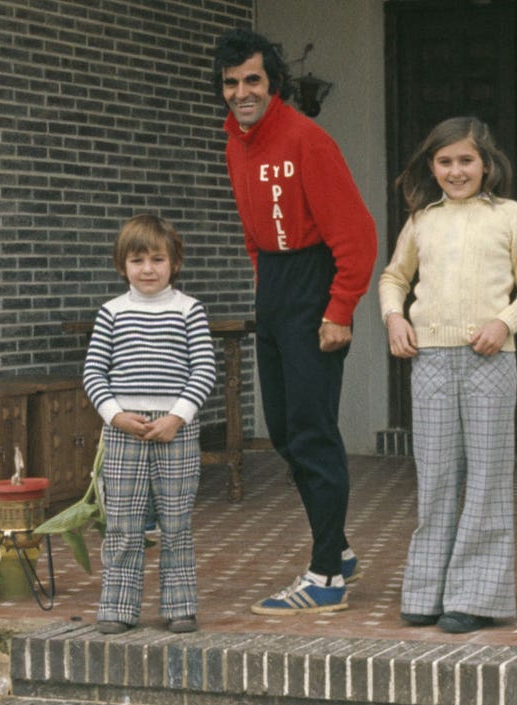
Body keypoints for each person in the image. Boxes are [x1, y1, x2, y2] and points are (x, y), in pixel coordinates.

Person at [212, 28, 378, 614]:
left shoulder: (308, 140)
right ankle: (341, 548)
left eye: (252, 80)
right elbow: (255, 234)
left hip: (314, 287)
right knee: (283, 430)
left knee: (311, 433)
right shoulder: (235, 144)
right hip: (276, 291)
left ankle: (327, 576)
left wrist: (339, 309)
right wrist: (266, 291)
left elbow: (357, 235)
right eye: (231, 83)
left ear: (273, 82)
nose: (241, 92)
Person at [378, 117, 517, 633]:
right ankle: (427, 590)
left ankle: (472, 597)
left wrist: (505, 322)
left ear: (487, 163)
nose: (456, 171)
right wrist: (394, 316)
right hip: (430, 360)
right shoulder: (422, 220)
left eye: (466, 161)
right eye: (445, 161)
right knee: (434, 476)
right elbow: (394, 276)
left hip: (490, 360)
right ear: (432, 166)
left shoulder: (510, 216)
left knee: (487, 478)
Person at [83, 214, 217, 634]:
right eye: (137, 260)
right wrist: (114, 415)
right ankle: (119, 607)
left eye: (157, 259)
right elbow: (93, 373)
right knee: (123, 524)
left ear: (174, 263)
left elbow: (204, 369)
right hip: (124, 432)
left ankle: (180, 606)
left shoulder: (188, 310)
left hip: (175, 432)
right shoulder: (111, 312)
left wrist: (178, 416)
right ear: (122, 265)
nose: (147, 269)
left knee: (176, 522)